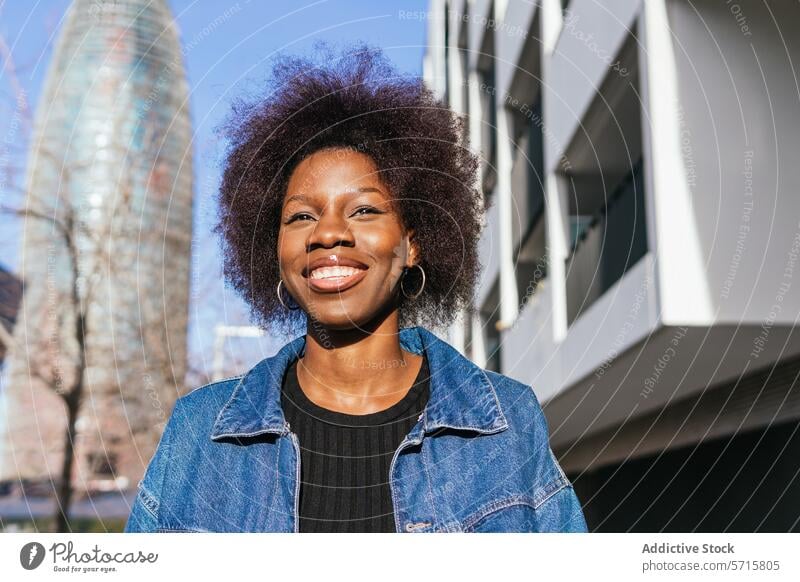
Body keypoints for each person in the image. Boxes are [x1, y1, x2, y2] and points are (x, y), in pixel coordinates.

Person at [124, 42, 588, 533]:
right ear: (273, 250)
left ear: (414, 244)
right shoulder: (199, 432)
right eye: (302, 216)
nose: (327, 233)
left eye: (364, 210)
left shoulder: (507, 424)